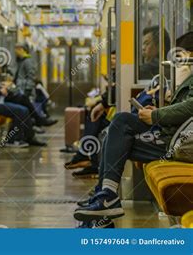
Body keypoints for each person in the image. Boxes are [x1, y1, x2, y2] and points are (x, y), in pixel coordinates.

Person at [74, 32, 193, 228]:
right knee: (118, 127)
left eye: (179, 56)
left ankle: (105, 198)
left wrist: (156, 116)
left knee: (117, 135)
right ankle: (104, 196)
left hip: (180, 144)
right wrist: (158, 112)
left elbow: (190, 107)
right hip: (175, 136)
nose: (176, 62)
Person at [0, 62, 46, 147]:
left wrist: (3, 89)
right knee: (20, 111)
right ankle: (12, 139)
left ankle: (28, 136)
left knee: (24, 107)